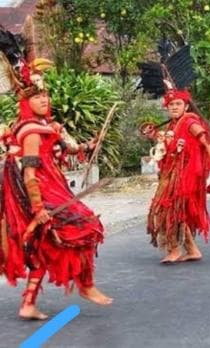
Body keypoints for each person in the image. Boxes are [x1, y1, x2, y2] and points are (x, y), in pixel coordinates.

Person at [0, 59, 112, 320]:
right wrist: (38, 209)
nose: (44, 100)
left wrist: (88, 145)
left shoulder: (46, 126)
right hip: (41, 193)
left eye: (46, 95)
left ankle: (28, 304)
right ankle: (86, 285)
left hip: (53, 188)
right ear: (25, 102)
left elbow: (67, 147)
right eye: (38, 96)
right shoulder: (31, 131)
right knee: (85, 225)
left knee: (44, 246)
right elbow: (29, 174)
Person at [146, 88, 210, 264]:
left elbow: (208, 144)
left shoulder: (190, 123)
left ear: (186, 106)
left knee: (170, 210)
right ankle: (191, 250)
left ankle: (174, 250)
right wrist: (154, 136)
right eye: (171, 104)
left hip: (186, 176)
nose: (174, 107)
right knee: (173, 210)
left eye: (178, 104)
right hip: (170, 175)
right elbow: (170, 146)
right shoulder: (173, 125)